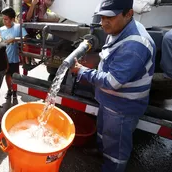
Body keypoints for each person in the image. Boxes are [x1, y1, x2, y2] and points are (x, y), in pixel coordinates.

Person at [71, 0, 156, 171]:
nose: (103, 23)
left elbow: (112, 82)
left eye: (110, 17)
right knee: (104, 133)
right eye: (102, 17)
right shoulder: (120, 28)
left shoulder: (135, 44)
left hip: (122, 108)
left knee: (116, 149)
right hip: (109, 101)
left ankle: (112, 166)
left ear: (129, 14)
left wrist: (81, 71)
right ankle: (101, 151)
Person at [0, 7, 28, 99]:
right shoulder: (1, 29)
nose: (4, 21)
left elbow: (25, 38)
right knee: (7, 76)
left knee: (15, 76)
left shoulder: (18, 27)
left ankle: (15, 91)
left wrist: (14, 39)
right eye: (3, 19)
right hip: (4, 58)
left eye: (6, 19)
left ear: (12, 19)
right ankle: (9, 90)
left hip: (14, 58)